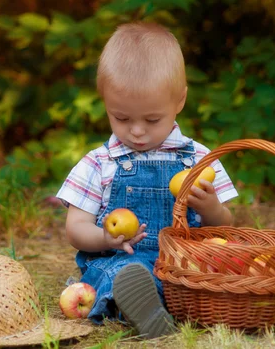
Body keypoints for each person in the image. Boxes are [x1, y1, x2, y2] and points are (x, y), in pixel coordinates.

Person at [56, 22, 239, 337]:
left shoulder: (199, 160)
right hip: (126, 262)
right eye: (121, 118)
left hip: (188, 266)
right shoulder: (99, 163)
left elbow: (226, 228)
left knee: (235, 271)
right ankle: (146, 309)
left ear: (179, 101)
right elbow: (75, 228)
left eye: (152, 119)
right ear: (106, 104)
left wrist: (210, 208)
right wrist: (103, 239)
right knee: (126, 275)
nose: (137, 131)